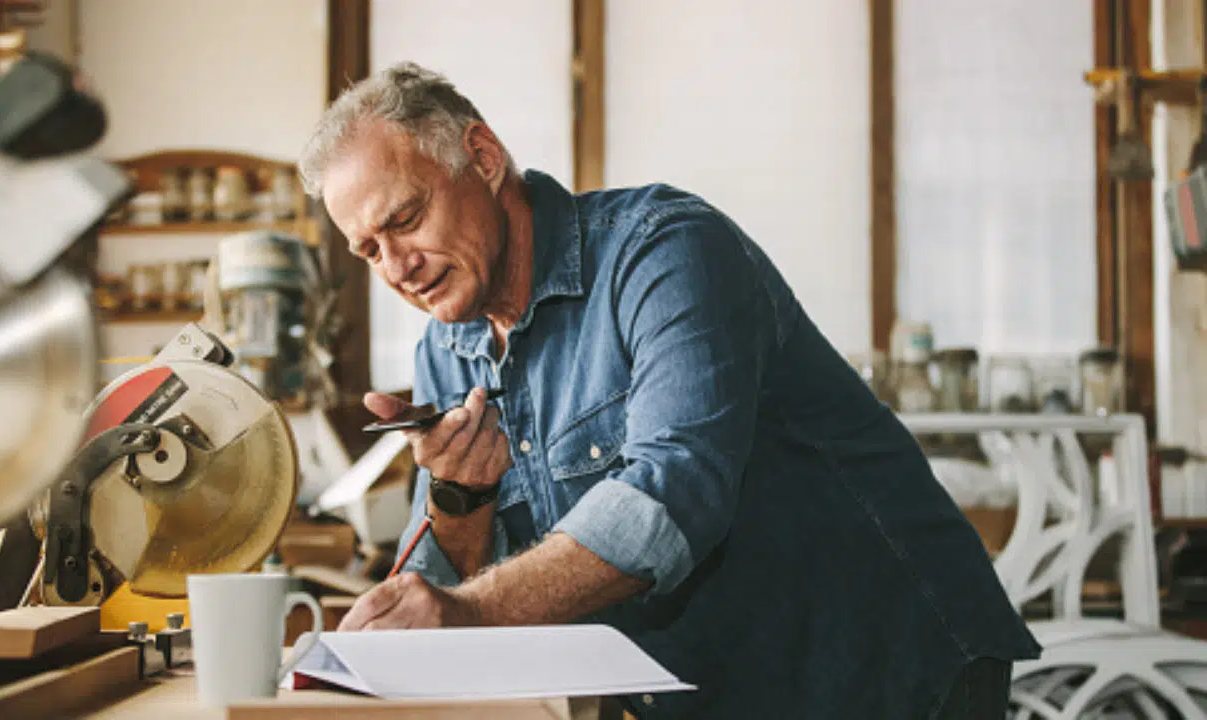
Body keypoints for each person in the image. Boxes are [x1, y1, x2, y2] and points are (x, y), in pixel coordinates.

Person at [298, 62, 1041, 719]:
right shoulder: (446, 348)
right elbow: (468, 573)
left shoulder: (666, 251)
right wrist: (459, 504)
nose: (395, 266)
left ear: (483, 158)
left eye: (405, 219)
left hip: (881, 662)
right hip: (711, 686)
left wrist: (465, 612)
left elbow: (675, 493)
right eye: (369, 250)